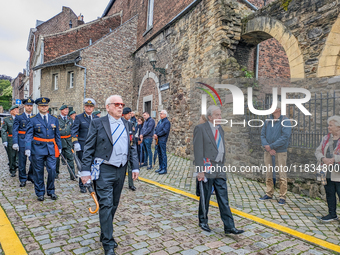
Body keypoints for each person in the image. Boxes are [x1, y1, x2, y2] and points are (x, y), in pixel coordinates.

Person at [80, 95, 139, 255]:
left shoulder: (128, 124)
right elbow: (89, 147)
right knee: (105, 205)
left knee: (113, 204)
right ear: (108, 107)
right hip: (104, 170)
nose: (120, 107)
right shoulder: (98, 123)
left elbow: (132, 147)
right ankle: (108, 243)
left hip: (121, 169)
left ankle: (105, 231)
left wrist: (135, 167)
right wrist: (85, 171)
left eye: (122, 104)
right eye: (117, 104)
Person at [193, 105, 244, 235]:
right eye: (217, 115)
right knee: (205, 196)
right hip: (207, 166)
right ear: (210, 117)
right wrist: (200, 170)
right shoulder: (200, 129)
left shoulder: (220, 129)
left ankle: (229, 226)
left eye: (220, 115)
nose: (220, 117)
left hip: (219, 167)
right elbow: (198, 150)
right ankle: (203, 221)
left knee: (223, 197)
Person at [25, 97, 62, 201]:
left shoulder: (54, 119)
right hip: (37, 148)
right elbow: (28, 135)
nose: (44, 107)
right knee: (38, 171)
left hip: (51, 148)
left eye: (45, 106)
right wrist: (28, 148)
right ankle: (40, 192)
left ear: (48, 107)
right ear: (38, 107)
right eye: (42, 106)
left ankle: (51, 191)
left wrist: (59, 147)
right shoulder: (32, 119)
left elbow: (57, 135)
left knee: (52, 170)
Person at [259, 102, 292, 205]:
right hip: (268, 151)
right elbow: (262, 135)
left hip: (280, 152)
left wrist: (272, 146)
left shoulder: (285, 121)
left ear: (278, 109)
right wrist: (268, 148)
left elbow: (285, 137)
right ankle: (269, 193)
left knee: (282, 174)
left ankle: (282, 196)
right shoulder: (267, 121)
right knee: (268, 173)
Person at [315, 116, 340, 222]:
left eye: (331, 125)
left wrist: (335, 159)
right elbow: (317, 151)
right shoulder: (326, 138)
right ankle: (332, 214)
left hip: (338, 172)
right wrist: (323, 158)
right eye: (328, 125)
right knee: (329, 193)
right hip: (327, 172)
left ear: (338, 127)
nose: (328, 127)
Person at [71, 98, 99, 193]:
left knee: (94, 165)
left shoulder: (96, 118)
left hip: (94, 146)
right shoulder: (79, 117)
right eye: (87, 106)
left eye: (91, 106)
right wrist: (75, 142)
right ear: (84, 107)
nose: (89, 108)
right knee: (83, 166)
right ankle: (82, 185)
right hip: (83, 146)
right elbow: (74, 131)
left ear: (93, 108)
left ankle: (92, 182)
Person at [12, 99, 35, 187]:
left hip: (32, 142)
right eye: (28, 105)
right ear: (24, 106)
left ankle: (31, 175)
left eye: (31, 106)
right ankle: (22, 179)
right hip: (22, 141)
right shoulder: (19, 117)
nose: (29, 107)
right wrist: (15, 142)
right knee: (22, 162)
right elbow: (15, 130)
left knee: (34, 161)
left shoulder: (35, 117)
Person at [56, 105, 76, 180]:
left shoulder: (69, 119)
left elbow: (73, 129)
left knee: (70, 158)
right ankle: (56, 173)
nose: (66, 111)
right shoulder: (57, 119)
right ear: (61, 110)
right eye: (65, 109)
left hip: (68, 141)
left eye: (67, 109)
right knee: (56, 159)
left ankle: (72, 174)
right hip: (59, 141)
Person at [1, 105, 19, 177]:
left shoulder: (20, 119)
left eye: (17, 109)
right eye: (15, 110)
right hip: (10, 139)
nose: (17, 111)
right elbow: (3, 130)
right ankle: (12, 170)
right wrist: (5, 140)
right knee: (12, 156)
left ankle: (17, 166)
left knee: (19, 156)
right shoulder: (7, 120)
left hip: (19, 139)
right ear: (11, 111)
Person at [122, 107, 136, 191]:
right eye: (128, 114)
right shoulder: (121, 123)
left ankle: (131, 184)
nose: (130, 115)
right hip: (122, 148)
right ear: (124, 114)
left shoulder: (131, 123)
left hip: (129, 148)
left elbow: (132, 136)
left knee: (130, 167)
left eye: (130, 114)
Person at [154, 110, 171, 175]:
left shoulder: (167, 122)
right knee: (159, 154)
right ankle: (160, 167)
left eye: (161, 114)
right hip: (158, 140)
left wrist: (157, 135)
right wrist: (155, 134)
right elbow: (156, 128)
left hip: (162, 140)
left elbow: (165, 131)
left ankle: (164, 168)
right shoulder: (160, 121)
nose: (160, 115)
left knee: (163, 154)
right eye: (160, 113)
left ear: (165, 115)